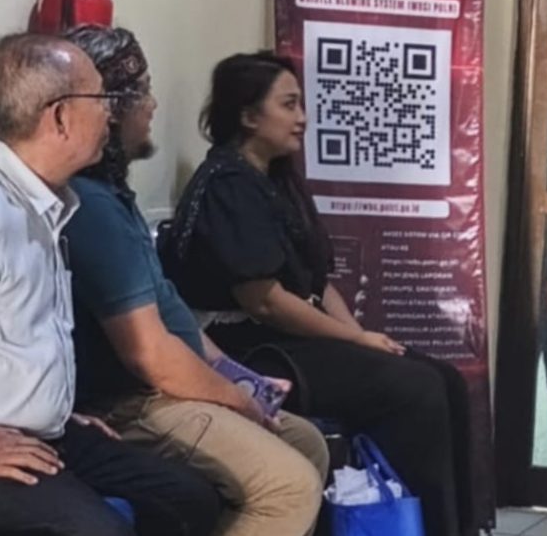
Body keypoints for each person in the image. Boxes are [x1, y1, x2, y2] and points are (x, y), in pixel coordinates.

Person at [159, 50, 476, 536]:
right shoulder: (226, 185)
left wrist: (361, 338)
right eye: (289, 105)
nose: (302, 118)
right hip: (247, 348)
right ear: (248, 116)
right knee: (415, 389)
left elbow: (318, 282)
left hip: (292, 335)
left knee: (445, 378)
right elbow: (264, 300)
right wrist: (354, 342)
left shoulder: (277, 180)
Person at [0, 33, 221, 535]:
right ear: (59, 117)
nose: (110, 113)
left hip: (37, 431)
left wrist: (56, 410)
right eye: (101, 99)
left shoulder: (43, 200)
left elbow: (18, 333)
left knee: (190, 499)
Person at [62, 24, 327, 536]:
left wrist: (240, 377)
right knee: (289, 486)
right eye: (143, 92)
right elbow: (149, 355)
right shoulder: (91, 208)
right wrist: (236, 398)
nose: (153, 105)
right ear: (112, 109)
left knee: (305, 441)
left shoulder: (115, 198)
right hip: (130, 404)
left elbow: (171, 311)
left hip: (161, 390)